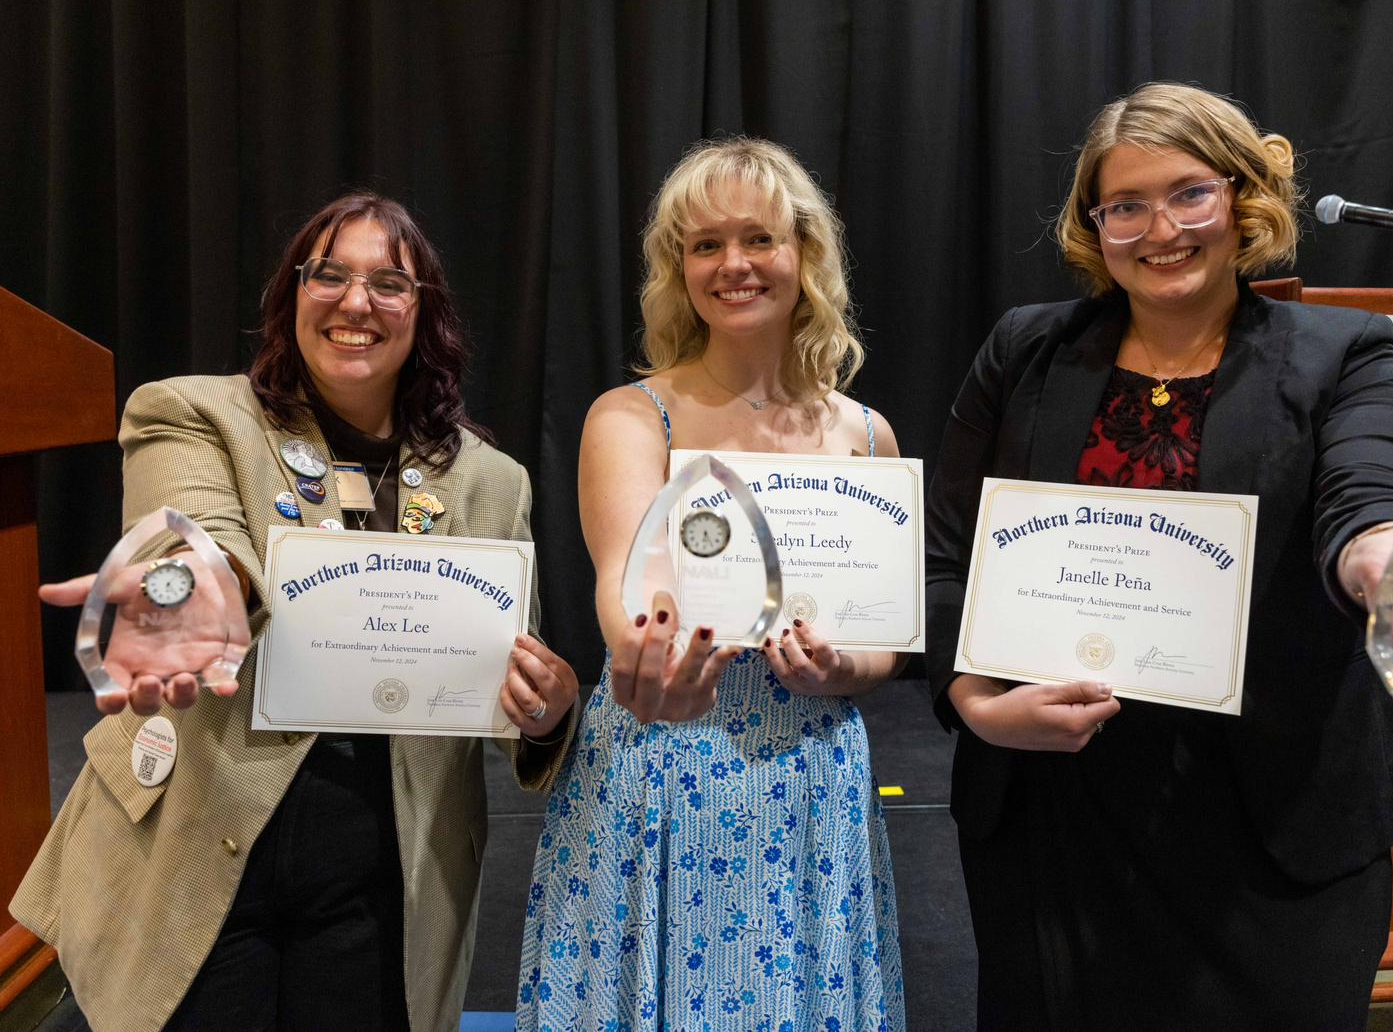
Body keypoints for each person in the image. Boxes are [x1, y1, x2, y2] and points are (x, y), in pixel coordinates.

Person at [923, 82, 1393, 1029]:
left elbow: (1369, 503)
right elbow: (945, 561)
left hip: (1271, 822)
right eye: (1126, 205)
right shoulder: (1025, 352)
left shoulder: (1344, 352)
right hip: (1056, 816)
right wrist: (972, 699)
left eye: (1191, 193)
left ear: (1243, 198)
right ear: (1094, 226)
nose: (1162, 229)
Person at [11, 193, 581, 1032]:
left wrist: (547, 708)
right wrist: (195, 592)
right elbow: (194, 540)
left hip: (386, 867)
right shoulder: (195, 412)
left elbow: (497, 674)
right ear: (292, 295)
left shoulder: (490, 481)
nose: (357, 302)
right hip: (197, 835)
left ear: (425, 316)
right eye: (331, 275)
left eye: (391, 282)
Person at [517, 138, 905, 1031]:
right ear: (676, 270)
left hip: (811, 772)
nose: (733, 264)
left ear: (804, 253)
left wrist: (845, 665)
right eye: (703, 245)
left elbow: (885, 640)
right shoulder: (631, 415)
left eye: (757, 238)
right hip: (661, 756)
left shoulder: (870, 436)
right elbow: (621, 596)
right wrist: (642, 650)